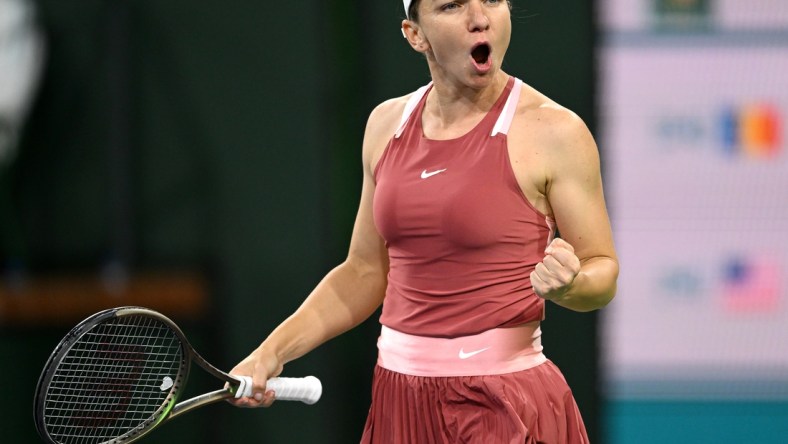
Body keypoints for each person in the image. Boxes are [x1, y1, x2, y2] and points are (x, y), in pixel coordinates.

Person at [229, 0, 618, 442]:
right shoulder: (385, 124)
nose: (479, 17)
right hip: (399, 399)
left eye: (491, 0)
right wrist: (270, 353)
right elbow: (364, 272)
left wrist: (571, 286)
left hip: (505, 403)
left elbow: (601, 269)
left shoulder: (555, 131)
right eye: (451, 5)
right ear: (415, 35)